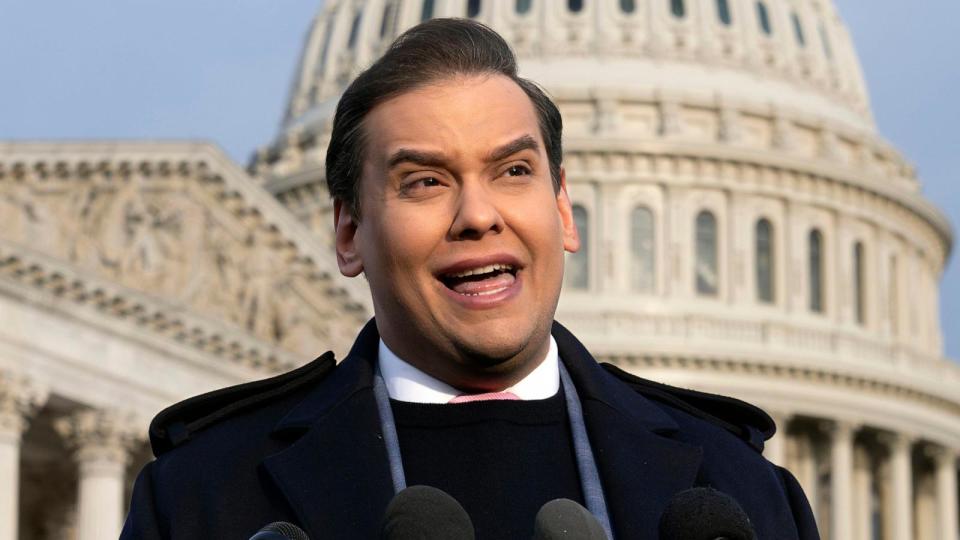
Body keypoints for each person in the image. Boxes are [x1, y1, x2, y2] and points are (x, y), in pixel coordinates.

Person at [121, 19, 818, 540]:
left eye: (513, 172)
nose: (478, 215)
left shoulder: (743, 495)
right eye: (424, 181)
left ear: (563, 210)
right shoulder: (203, 496)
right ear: (347, 233)